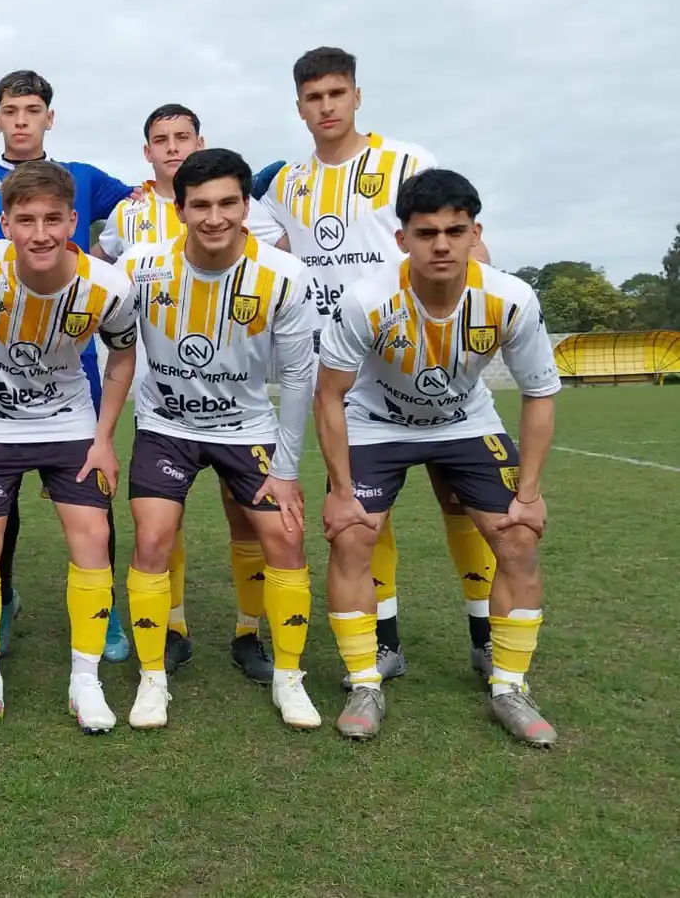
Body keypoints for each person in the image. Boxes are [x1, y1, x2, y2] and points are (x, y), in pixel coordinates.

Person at [252, 47, 499, 685]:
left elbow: (463, 240)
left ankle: (486, 637)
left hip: (425, 354)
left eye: (337, 94)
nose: (326, 107)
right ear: (299, 106)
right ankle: (384, 644)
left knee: (460, 500)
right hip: (344, 372)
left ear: (357, 96)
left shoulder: (407, 161)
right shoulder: (283, 184)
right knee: (366, 515)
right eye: (313, 97)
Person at [314, 168, 560, 746]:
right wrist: (341, 491)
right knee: (352, 535)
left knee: (519, 537)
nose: (442, 244)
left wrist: (529, 493)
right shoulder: (368, 300)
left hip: (466, 422)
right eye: (426, 233)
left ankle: (509, 686)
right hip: (375, 424)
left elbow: (539, 393)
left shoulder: (509, 298)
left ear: (476, 234)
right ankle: (364, 681)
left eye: (455, 230)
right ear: (402, 239)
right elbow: (330, 397)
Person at [0, 160, 139, 739]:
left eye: (52, 219)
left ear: (74, 220)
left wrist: (103, 439)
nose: (40, 233)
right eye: (26, 220)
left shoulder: (108, 285)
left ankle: (85, 679)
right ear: (6, 223)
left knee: (93, 538)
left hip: (69, 422)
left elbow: (123, 359)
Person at [119, 149, 320, 731]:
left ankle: (282, 670)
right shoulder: (142, 266)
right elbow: (77, 279)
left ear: (245, 206)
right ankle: (153, 677)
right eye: (200, 205)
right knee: (152, 538)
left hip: (248, 430)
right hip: (166, 427)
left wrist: (285, 467)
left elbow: (299, 377)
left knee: (283, 536)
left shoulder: (284, 275)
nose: (214, 217)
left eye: (228, 203)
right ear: (178, 209)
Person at [0, 69, 138, 663]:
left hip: (69, 378)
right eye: (12, 109)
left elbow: (144, 203)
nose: (23, 118)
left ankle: (102, 620)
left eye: (34, 109)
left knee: (92, 520)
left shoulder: (83, 181)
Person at [95, 103, 287, 685]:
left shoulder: (248, 213)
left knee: (248, 522)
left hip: (242, 403)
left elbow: (278, 272)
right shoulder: (128, 217)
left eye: (183, 137)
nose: (173, 146)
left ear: (200, 141)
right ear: (147, 151)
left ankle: (249, 634)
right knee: (160, 527)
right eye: (161, 138)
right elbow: (100, 269)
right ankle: (171, 629)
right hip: (167, 403)